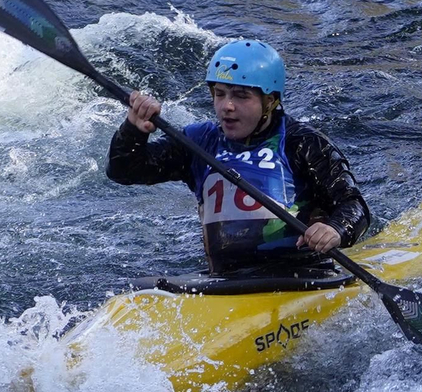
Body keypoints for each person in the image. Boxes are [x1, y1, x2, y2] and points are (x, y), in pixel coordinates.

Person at [107, 39, 371, 276]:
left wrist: (335, 229)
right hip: (225, 282)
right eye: (220, 94)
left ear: (270, 101)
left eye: (241, 96)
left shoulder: (303, 143)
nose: (227, 106)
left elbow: (352, 205)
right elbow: (124, 171)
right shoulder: (199, 142)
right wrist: (133, 130)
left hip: (302, 277)